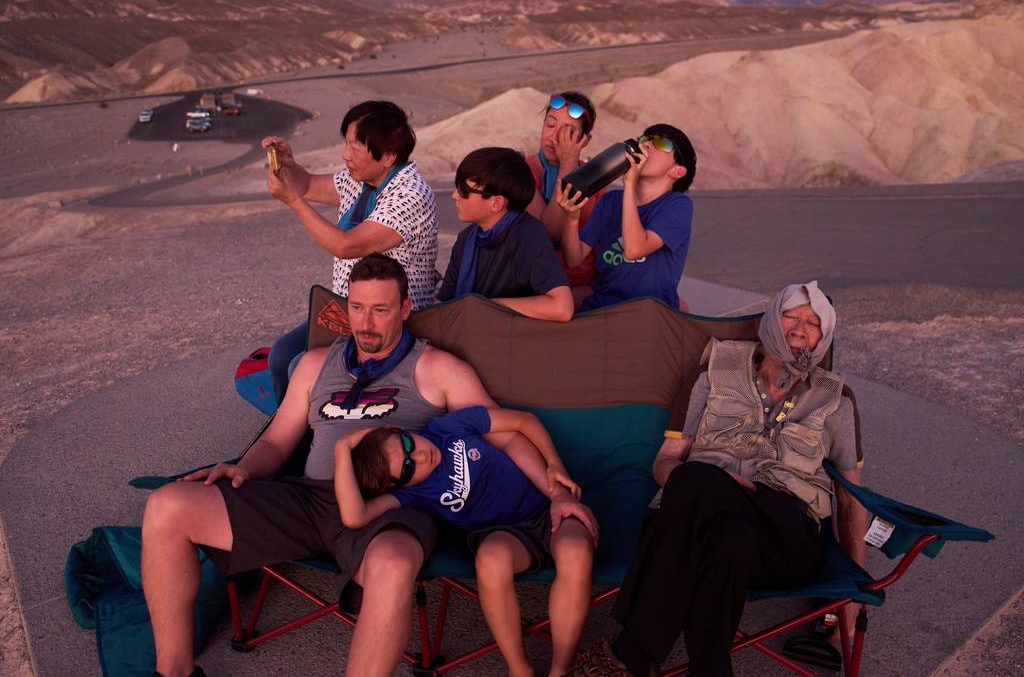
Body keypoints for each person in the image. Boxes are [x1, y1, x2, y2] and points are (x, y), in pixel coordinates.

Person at [141, 254, 597, 677]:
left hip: (391, 507)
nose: (366, 322)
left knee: (394, 564)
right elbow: (278, 440)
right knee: (167, 507)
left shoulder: (436, 368)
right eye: (357, 308)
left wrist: (554, 492)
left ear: (405, 308)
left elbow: (507, 435)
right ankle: (174, 672)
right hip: (310, 497)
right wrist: (242, 468)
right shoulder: (315, 364)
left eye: (380, 309)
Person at [565, 281, 868, 677]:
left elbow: (851, 499)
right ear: (770, 320)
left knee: (699, 484)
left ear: (823, 337)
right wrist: (715, 486)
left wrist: (854, 589)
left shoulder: (836, 400)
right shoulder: (714, 371)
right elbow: (664, 463)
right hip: (704, 525)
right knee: (726, 534)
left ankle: (634, 651)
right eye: (791, 315)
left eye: (813, 323)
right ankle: (711, 669)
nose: (799, 328)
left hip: (783, 533)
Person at [336, 406, 596, 677]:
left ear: (396, 429)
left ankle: (560, 670)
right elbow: (355, 516)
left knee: (575, 549)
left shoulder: (446, 428)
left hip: (548, 506)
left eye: (407, 443)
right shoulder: (414, 494)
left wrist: (554, 466)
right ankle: (519, 669)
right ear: (396, 486)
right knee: (491, 560)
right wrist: (341, 447)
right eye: (408, 467)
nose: (422, 456)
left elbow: (523, 421)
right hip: (505, 534)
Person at [262, 100, 438, 404]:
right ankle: (290, 431)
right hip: (348, 309)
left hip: (389, 317)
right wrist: (288, 164)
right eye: (346, 144)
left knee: (298, 367)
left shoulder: (410, 195)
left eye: (355, 148)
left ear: (388, 156)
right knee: (280, 357)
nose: (346, 155)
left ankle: (312, 436)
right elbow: (306, 186)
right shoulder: (363, 180)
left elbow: (345, 245)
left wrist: (292, 201)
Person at [556, 124, 696, 313]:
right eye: (645, 138)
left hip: (649, 315)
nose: (646, 144)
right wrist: (571, 219)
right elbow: (573, 259)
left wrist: (629, 183)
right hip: (602, 309)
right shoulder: (610, 201)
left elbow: (634, 249)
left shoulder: (677, 206)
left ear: (677, 171)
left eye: (661, 143)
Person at [436, 147, 574, 322]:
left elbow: (562, 307)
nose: (455, 195)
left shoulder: (528, 235)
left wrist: (489, 306)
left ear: (496, 203)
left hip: (513, 342)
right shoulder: (466, 239)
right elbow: (445, 304)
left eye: (464, 190)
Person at [524, 91, 605, 304]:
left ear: (584, 140)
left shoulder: (596, 181)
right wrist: (567, 166)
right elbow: (549, 232)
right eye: (550, 125)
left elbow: (603, 250)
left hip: (584, 288)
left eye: (567, 132)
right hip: (534, 286)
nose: (554, 137)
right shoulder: (522, 172)